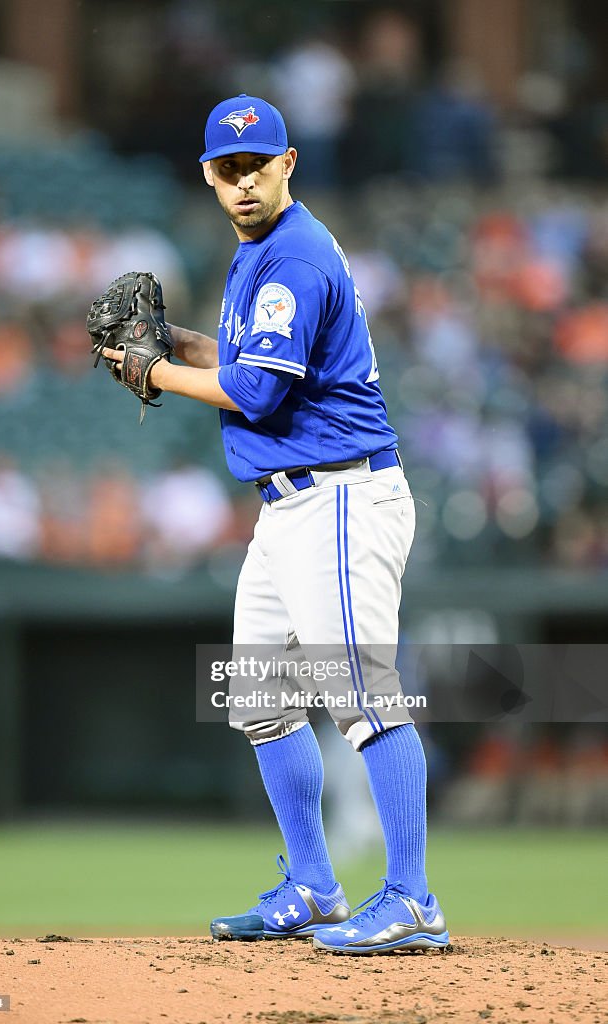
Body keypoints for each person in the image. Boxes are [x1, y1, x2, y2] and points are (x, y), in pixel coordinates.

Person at [101, 94, 448, 955]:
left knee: (362, 698)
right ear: (209, 177)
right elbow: (253, 363)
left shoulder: (291, 255)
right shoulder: (258, 254)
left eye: (257, 166)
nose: (242, 182)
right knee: (261, 702)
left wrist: (153, 372)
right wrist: (176, 344)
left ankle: (411, 898)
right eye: (227, 170)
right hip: (289, 506)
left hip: (337, 497)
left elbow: (257, 393)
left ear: (287, 163)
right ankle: (313, 885)